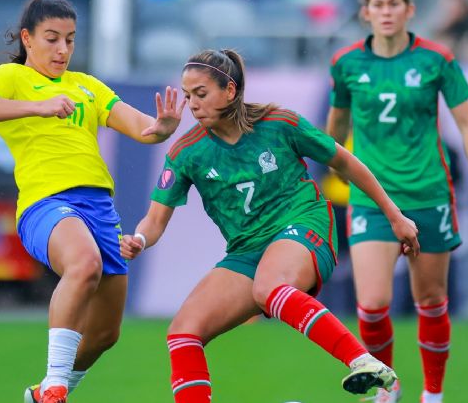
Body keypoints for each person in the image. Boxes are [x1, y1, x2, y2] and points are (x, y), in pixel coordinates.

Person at [121, 49, 420, 402]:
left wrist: (395, 216)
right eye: (188, 96)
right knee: (183, 332)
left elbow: (347, 162)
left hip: (303, 224)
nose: (192, 105)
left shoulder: (279, 124)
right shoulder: (187, 152)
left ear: (229, 91)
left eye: (200, 94)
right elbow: (155, 220)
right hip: (248, 250)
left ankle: (365, 362)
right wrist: (140, 238)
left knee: (269, 285)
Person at [0, 0, 185, 403]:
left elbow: (143, 129)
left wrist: (164, 127)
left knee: (104, 333)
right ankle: (55, 389)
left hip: (98, 209)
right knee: (83, 263)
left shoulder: (85, 86)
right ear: (27, 39)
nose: (63, 49)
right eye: (52, 38)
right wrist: (37, 107)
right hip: (47, 204)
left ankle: (40, 394)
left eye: (71, 38)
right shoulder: (13, 79)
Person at [326, 0, 468, 403]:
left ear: (409, 11)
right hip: (372, 199)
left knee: (431, 299)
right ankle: (387, 387)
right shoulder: (347, 64)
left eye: (393, 4)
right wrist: (333, 169)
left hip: (427, 194)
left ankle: (432, 394)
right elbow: (334, 129)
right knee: (373, 303)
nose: (385, 11)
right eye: (377, 4)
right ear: (365, 12)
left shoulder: (437, 59)